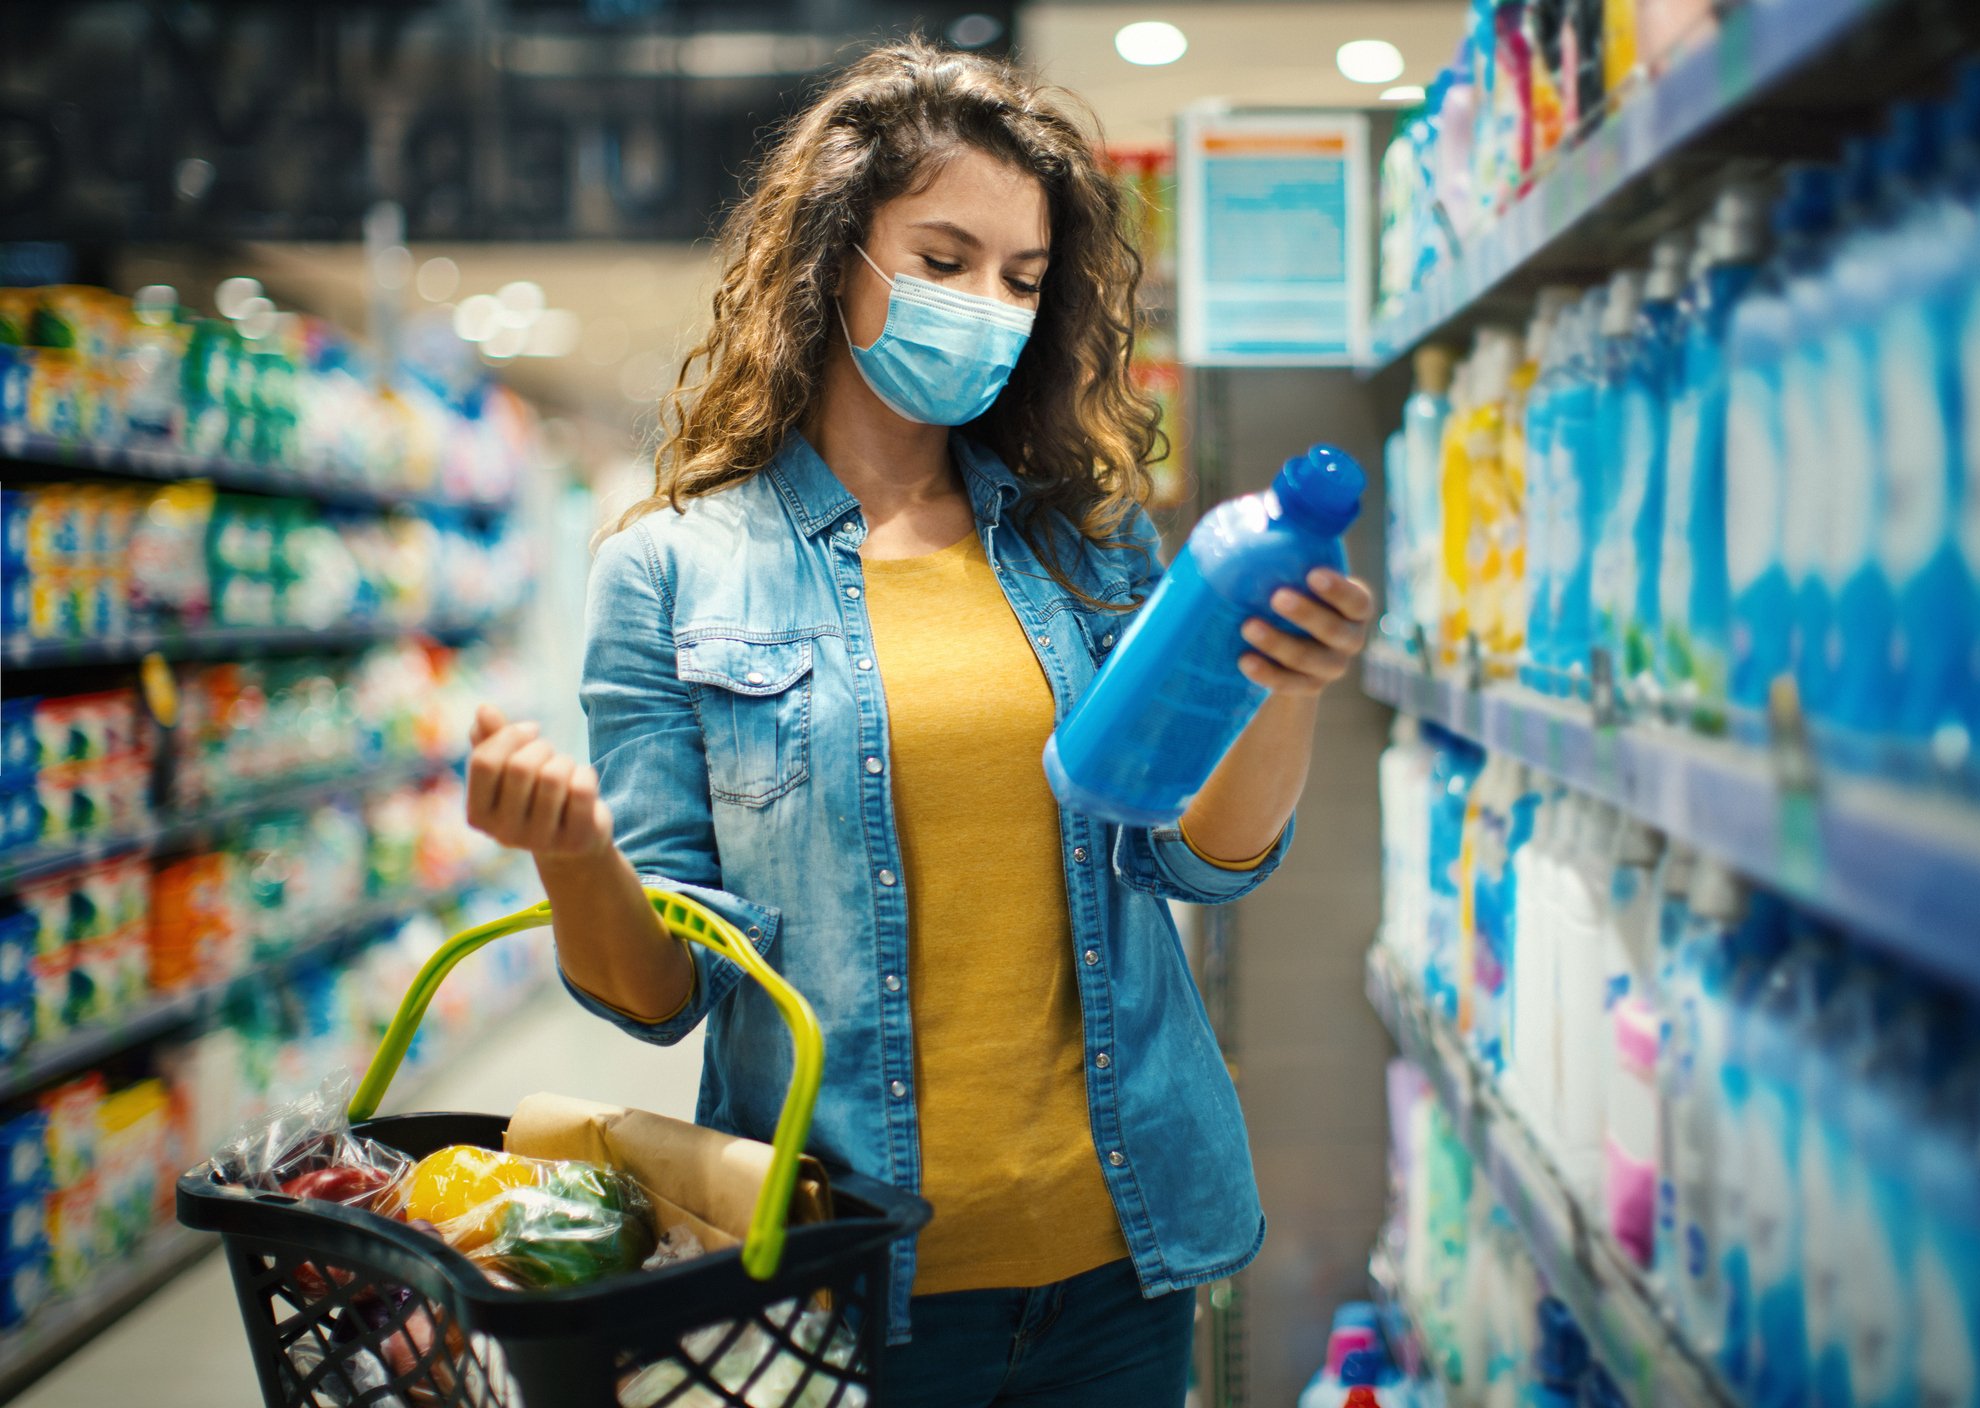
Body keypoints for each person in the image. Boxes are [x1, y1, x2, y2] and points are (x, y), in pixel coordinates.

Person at [464, 38, 1373, 1408]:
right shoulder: (670, 569)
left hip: (1118, 1264)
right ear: (837, 258)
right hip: (835, 1286)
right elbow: (661, 996)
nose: (986, 309)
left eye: (1020, 279)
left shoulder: (1088, 546)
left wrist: (1282, 692)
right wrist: (574, 857)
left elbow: (1191, 861)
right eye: (942, 261)